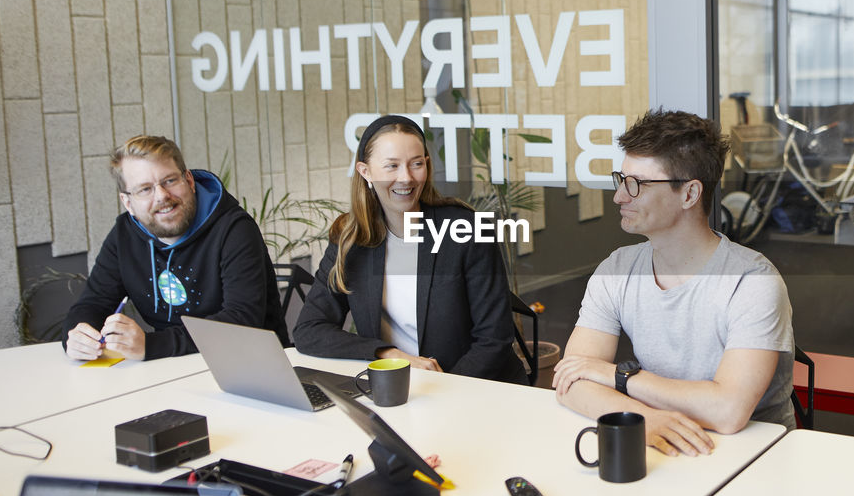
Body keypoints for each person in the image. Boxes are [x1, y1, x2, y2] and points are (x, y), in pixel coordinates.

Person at [553, 109, 795, 457]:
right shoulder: (617, 268)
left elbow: (728, 412)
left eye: (637, 184)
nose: (620, 196)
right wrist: (645, 419)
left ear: (689, 194)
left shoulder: (753, 281)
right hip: (667, 444)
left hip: (755, 456)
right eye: (621, 179)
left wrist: (620, 377)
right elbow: (571, 382)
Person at [292, 115, 523, 383]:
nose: (407, 178)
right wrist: (387, 354)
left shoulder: (466, 229)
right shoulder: (350, 237)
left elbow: (494, 339)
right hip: (398, 388)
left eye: (416, 164)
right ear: (365, 172)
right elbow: (309, 330)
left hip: (473, 388)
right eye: (392, 166)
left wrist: (443, 390)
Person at [63, 135, 287, 361]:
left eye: (169, 181)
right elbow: (94, 303)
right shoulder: (124, 236)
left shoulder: (234, 229)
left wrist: (152, 345)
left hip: (250, 363)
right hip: (169, 366)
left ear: (189, 181)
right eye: (145, 189)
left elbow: (242, 320)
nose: (162, 196)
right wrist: (79, 335)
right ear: (128, 202)